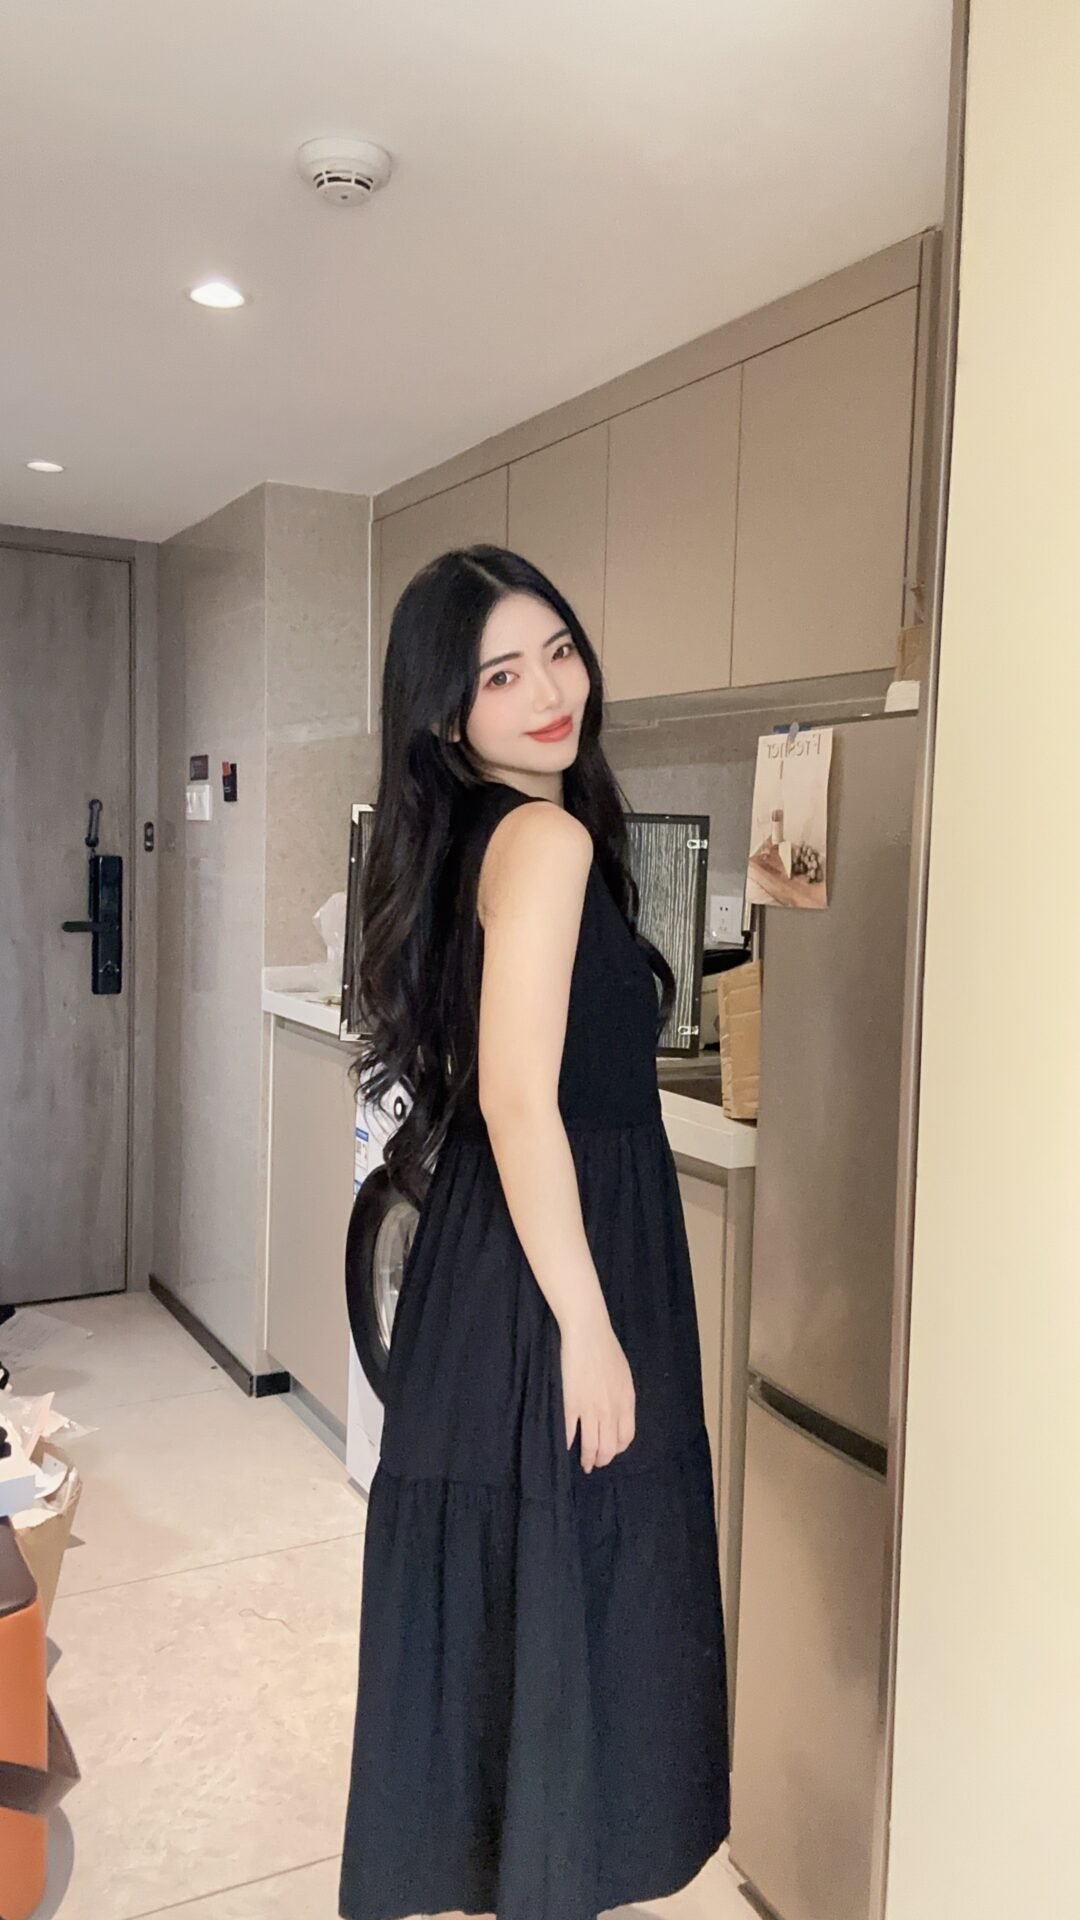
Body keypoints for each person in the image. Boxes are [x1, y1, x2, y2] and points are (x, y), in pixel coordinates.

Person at [338, 546, 730, 1920]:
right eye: (501, 675)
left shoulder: (476, 839)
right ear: (449, 714)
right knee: (578, 1607)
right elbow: (517, 1096)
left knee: (523, 1613)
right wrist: (590, 1326)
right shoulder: (546, 843)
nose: (550, 690)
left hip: (493, 1259)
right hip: (553, 1266)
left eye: (558, 650)